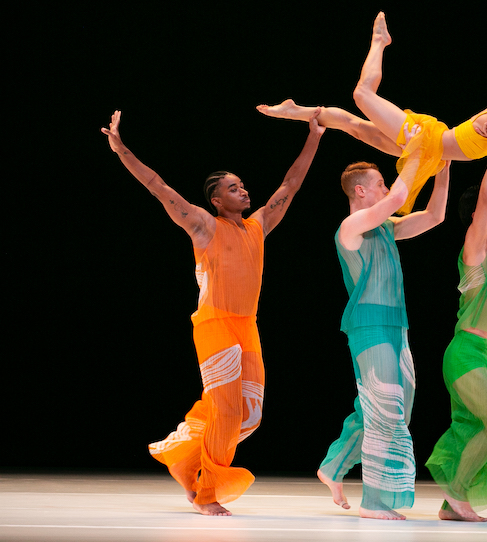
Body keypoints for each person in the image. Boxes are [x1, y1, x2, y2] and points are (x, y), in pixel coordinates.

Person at [101, 109, 325, 516]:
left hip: (247, 327)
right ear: (216, 200)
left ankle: (187, 460)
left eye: (242, 185)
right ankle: (208, 493)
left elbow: (290, 185)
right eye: (233, 188)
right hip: (214, 324)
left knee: (249, 415)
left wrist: (314, 136)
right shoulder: (204, 226)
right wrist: (121, 149)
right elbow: (159, 187)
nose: (243, 191)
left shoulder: (258, 226)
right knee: (224, 408)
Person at [257, 11, 487, 216]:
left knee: (355, 127)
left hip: (431, 154)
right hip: (425, 137)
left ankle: (297, 110)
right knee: (361, 95)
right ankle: (380, 41)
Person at [315, 148, 450, 521]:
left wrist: (445, 166)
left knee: (395, 406)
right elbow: (398, 198)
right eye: (380, 183)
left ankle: (333, 463)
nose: (387, 187)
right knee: (385, 407)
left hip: (396, 325)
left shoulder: (387, 228)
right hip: (368, 326)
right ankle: (374, 501)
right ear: (361, 192)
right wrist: (420, 154)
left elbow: (435, 216)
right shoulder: (350, 227)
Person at [424, 123, 487, 522]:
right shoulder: (476, 246)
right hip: (466, 352)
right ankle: (458, 493)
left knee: (472, 425)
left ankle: (451, 505)